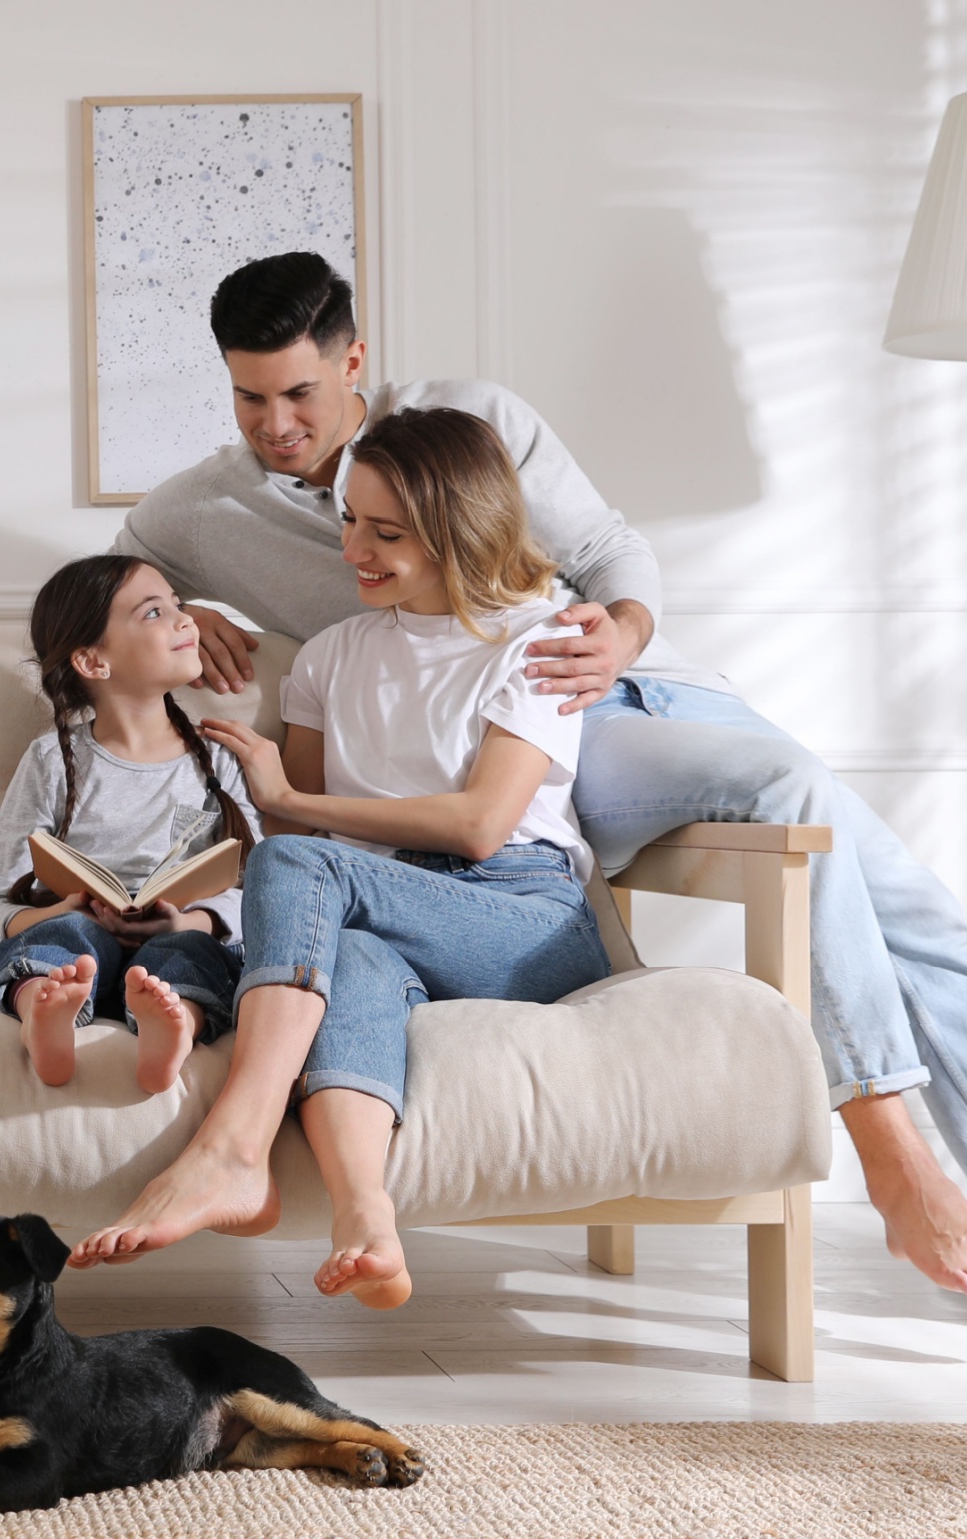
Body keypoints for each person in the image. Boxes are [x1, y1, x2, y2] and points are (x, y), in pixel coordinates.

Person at [77, 251, 967, 1365]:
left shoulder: (469, 422)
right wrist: (184, 603)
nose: (276, 423)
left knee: (900, 902)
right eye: (247, 398)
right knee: (830, 841)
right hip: (488, 758)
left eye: (299, 392)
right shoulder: (209, 510)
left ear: (353, 360)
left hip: (611, 700)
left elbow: (609, 553)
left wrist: (610, 638)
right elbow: (111, 575)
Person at [180, 405, 610, 1308]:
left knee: (310, 872)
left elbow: (482, 824)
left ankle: (232, 1146)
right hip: (385, 910)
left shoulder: (541, 639)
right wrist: (273, 817)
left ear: (458, 529)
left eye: (386, 532)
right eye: (347, 520)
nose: (353, 550)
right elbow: (294, 853)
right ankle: (365, 1216)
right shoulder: (331, 657)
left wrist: (288, 802)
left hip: (521, 915)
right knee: (355, 956)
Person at [0, 556, 263, 1094]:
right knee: (62, 935)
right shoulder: (50, 761)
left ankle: (176, 1028)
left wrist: (188, 924)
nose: (185, 621)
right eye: (156, 612)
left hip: (177, 939)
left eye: (179, 605)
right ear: (93, 660)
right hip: (79, 945)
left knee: (193, 957)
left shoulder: (218, 758)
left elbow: (262, 897)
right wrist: (60, 910)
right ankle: (46, 1009)